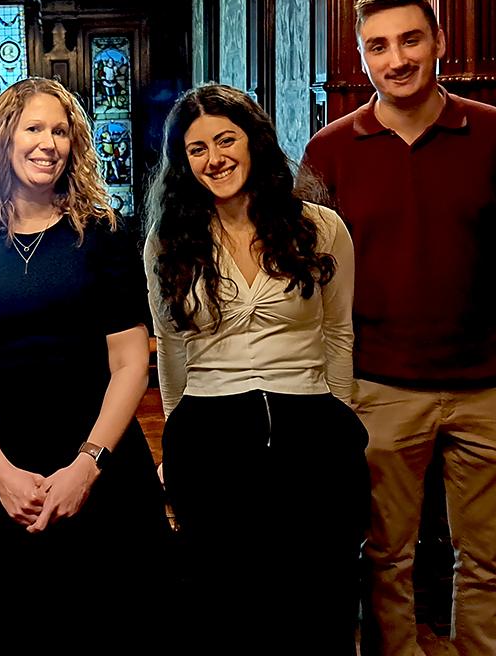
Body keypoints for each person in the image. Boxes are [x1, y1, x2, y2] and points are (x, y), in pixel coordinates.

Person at [301, 0, 496, 656]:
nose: (397, 58)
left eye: (411, 40)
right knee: (384, 560)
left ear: (440, 44)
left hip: (493, 385)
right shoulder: (330, 151)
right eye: (378, 46)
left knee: (491, 561)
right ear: (361, 57)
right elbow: (309, 273)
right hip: (378, 389)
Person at [0, 77, 168, 622]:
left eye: (60, 131)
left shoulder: (103, 235)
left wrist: (88, 465)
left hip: (97, 453)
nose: (48, 142)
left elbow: (132, 361)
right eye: (33, 127)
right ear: (1, 140)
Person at [145, 83, 370, 652]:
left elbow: (339, 331)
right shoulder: (168, 240)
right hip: (210, 427)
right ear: (183, 162)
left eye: (226, 140)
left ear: (255, 141)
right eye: (197, 149)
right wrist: (175, 443)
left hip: (310, 423)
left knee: (317, 591)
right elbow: (171, 348)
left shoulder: (320, 227)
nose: (215, 159)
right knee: (223, 596)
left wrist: (339, 422)